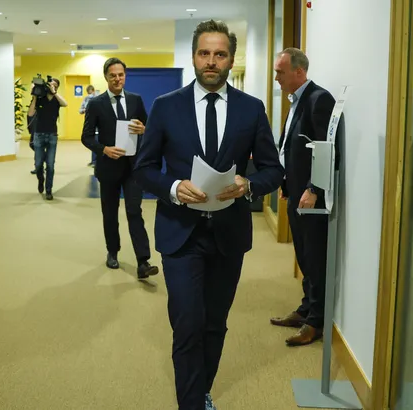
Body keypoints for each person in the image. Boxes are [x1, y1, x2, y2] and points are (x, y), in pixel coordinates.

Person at [133, 19, 284, 410]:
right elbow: (143, 168)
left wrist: (249, 185)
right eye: (204, 53)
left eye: (220, 54)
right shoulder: (166, 106)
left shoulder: (251, 109)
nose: (211, 61)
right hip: (180, 232)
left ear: (230, 59)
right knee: (187, 323)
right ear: (194, 57)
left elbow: (273, 169)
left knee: (215, 323)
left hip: (228, 234)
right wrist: (172, 187)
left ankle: (201, 390)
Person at [268, 48, 336, 347]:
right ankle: (306, 308)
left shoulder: (319, 100)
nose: (276, 77)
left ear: (299, 71)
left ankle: (316, 321)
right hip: (296, 192)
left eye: (280, 72)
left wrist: (313, 189)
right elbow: (291, 145)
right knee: (304, 255)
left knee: (315, 257)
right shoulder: (297, 100)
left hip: (311, 197)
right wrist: (286, 182)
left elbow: (326, 149)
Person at [81, 58, 159, 278]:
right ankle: (112, 252)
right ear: (106, 77)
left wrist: (144, 129)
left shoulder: (135, 100)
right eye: (113, 75)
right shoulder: (96, 104)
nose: (117, 79)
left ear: (125, 76)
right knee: (110, 212)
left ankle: (143, 261)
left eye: (121, 75)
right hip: (108, 167)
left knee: (134, 211)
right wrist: (104, 149)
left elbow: (148, 127)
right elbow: (86, 137)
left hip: (133, 167)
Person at [28, 76, 67, 200]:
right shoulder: (40, 98)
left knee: (50, 165)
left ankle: (49, 190)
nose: (51, 86)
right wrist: (34, 96)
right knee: (38, 164)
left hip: (52, 135)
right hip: (39, 135)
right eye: (50, 84)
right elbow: (30, 113)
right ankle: (41, 180)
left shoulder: (56, 99)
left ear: (57, 87)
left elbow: (65, 103)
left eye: (54, 85)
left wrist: (54, 92)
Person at [79, 85, 100, 166]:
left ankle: (96, 161)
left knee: (97, 141)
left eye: (90, 92)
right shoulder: (86, 99)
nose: (89, 94)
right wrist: (85, 110)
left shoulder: (99, 98)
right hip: (89, 123)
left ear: (93, 91)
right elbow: (80, 110)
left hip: (98, 124)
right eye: (88, 93)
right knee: (91, 141)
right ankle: (93, 160)